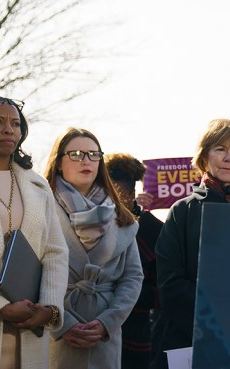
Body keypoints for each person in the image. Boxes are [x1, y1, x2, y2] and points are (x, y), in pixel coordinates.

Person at [153, 119, 230, 369]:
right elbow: (169, 282)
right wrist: (213, 324)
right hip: (189, 340)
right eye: (220, 149)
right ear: (204, 157)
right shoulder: (182, 212)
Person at [44, 128, 143, 368]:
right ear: (58, 163)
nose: (86, 160)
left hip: (104, 333)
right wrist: (62, 323)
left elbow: (132, 276)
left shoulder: (120, 214)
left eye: (93, 154)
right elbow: (29, 276)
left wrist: (107, 322)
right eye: (76, 154)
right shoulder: (40, 209)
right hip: (52, 330)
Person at [0, 96, 68, 369]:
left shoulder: (37, 185)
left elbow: (55, 251)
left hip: (29, 326)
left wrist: (49, 307)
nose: (8, 130)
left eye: (15, 124)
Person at [104, 153, 163, 369]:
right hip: (90, 329)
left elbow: (163, 291)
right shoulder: (89, 223)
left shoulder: (151, 229)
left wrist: (126, 293)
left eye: (117, 195)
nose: (110, 202)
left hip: (135, 337)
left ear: (130, 194)